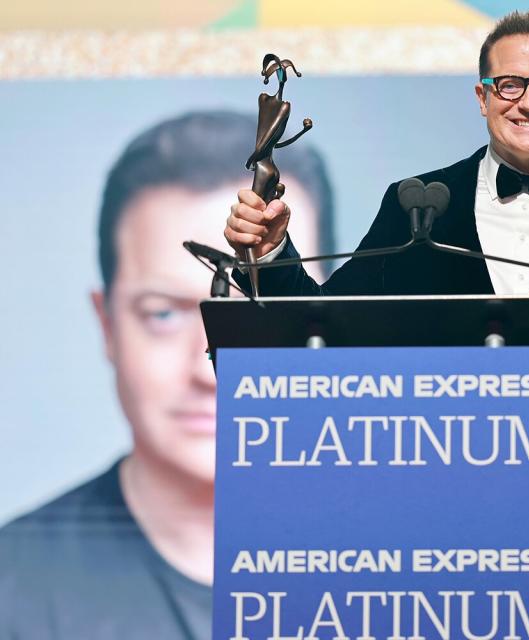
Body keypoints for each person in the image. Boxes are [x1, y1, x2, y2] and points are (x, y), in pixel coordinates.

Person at [225, 10, 529, 621]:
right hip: (429, 535)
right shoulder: (416, 204)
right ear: (482, 98)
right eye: (510, 84)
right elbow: (333, 333)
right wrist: (271, 252)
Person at [0, 111, 333, 639]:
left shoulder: (424, 574)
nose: (210, 368)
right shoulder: (10, 589)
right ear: (107, 323)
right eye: (163, 313)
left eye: (256, 304)